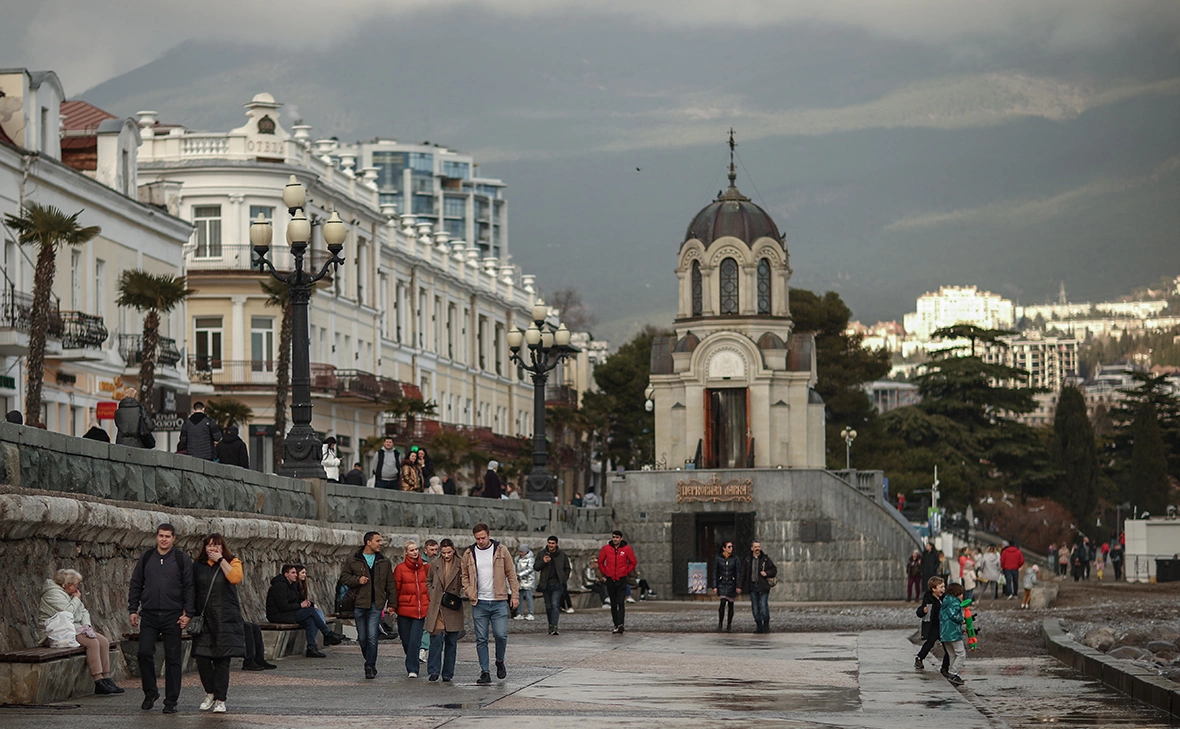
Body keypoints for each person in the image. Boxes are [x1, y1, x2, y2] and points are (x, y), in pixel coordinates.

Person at [128, 522, 194, 714]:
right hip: (149, 614)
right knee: (144, 652)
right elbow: (136, 583)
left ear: (174, 538)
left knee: (173, 658)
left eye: (167, 536)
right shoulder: (147, 557)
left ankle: (171, 700)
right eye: (161, 535)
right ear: (156, 537)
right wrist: (133, 608)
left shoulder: (181, 559)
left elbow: (190, 587)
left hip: (172, 615)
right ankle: (150, 692)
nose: (163, 539)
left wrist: (188, 613)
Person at [38, 568, 123, 695]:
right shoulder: (53, 594)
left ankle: (106, 677)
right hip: (57, 632)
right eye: (76, 584)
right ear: (68, 585)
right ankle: (98, 680)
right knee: (92, 643)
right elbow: (67, 613)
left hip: (74, 628)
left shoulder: (69, 594)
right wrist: (76, 600)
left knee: (103, 641)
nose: (78, 587)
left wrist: (86, 625)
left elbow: (83, 611)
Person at [190, 534, 245, 714]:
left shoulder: (232, 562)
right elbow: (191, 589)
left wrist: (221, 560)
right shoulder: (197, 566)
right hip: (204, 618)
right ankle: (210, 692)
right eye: (209, 545)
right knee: (202, 658)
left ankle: (221, 699)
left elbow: (235, 578)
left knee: (222, 660)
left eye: (216, 545)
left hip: (225, 618)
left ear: (223, 548)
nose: (212, 549)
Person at [460, 522, 520, 684]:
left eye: (483, 538)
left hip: (499, 600)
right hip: (479, 601)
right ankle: (484, 671)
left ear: (489, 535)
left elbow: (511, 574)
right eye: (477, 538)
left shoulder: (501, 550)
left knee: (500, 635)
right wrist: (468, 590)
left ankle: (499, 661)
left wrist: (514, 594)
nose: (480, 541)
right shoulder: (469, 553)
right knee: (481, 638)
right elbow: (464, 574)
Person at [340, 531, 398, 679]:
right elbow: (344, 577)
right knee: (363, 637)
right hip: (359, 603)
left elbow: (390, 584)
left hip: (376, 604)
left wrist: (392, 604)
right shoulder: (354, 559)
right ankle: (369, 660)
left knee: (372, 636)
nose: (380, 544)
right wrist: (357, 580)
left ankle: (370, 666)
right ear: (368, 542)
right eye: (377, 541)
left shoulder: (384, 561)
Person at [266, 565, 341, 657]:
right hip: (278, 615)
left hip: (289, 613)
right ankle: (327, 634)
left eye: (295, 573)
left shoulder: (292, 585)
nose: (295, 575)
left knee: (310, 620)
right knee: (311, 612)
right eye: (293, 573)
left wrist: (307, 603)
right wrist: (300, 605)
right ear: (286, 574)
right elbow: (283, 606)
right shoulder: (279, 586)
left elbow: (297, 599)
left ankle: (311, 648)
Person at [424, 538, 464, 682]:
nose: (446, 555)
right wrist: (432, 592)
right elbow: (428, 580)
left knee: (452, 641)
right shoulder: (435, 564)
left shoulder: (461, 564)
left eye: (449, 552)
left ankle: (448, 673)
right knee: (436, 639)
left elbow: (466, 580)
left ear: (453, 550)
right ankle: (433, 671)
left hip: (452, 605)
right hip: (438, 605)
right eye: (444, 552)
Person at [393, 540, 430, 678]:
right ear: (406, 553)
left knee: (415, 639)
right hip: (404, 609)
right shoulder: (400, 568)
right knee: (406, 640)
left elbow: (429, 587)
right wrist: (392, 605)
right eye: (412, 550)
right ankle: (412, 659)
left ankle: (412, 669)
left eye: (416, 549)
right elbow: (395, 589)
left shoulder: (425, 568)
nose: (415, 552)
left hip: (420, 610)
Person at [597, 530, 638, 634]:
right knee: (613, 603)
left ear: (621, 538)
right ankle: (616, 624)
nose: (615, 539)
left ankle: (621, 624)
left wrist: (626, 571)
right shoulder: (606, 549)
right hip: (611, 579)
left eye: (617, 537)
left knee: (621, 602)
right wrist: (605, 572)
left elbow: (633, 562)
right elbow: (600, 561)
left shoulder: (627, 549)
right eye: (614, 537)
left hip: (621, 579)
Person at [534, 536, 571, 635]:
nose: (551, 545)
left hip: (557, 583)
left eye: (553, 543)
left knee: (555, 605)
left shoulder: (562, 555)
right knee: (548, 606)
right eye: (549, 543)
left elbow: (567, 568)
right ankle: (550, 625)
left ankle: (554, 626)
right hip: (545, 584)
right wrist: (543, 562)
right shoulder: (542, 553)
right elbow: (536, 567)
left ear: (556, 544)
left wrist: (563, 579)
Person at [915, 576, 950, 676]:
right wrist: (923, 611)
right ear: (934, 589)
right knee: (929, 643)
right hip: (933, 626)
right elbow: (919, 612)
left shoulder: (944, 598)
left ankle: (944, 668)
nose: (943, 589)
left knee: (948, 647)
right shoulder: (928, 599)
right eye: (941, 587)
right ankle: (919, 658)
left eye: (944, 587)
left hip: (943, 626)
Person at [741, 540, 777, 633]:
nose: (757, 548)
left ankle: (766, 626)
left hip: (763, 586)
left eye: (758, 547)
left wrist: (767, 573)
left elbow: (774, 570)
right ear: (752, 548)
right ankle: (759, 627)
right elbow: (743, 574)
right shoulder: (748, 559)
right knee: (755, 608)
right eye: (755, 547)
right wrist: (740, 586)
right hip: (752, 587)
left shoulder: (765, 559)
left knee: (763, 606)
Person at [939, 582, 967, 685]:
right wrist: (962, 620)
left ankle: (952, 674)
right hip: (953, 632)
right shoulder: (955, 602)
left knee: (952, 655)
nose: (962, 596)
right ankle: (953, 673)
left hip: (944, 632)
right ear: (957, 593)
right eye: (961, 593)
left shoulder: (945, 601)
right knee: (961, 654)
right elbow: (953, 615)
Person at [712, 540, 742, 632]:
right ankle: (720, 623)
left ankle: (729, 625)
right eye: (729, 547)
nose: (731, 548)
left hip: (731, 583)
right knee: (722, 603)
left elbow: (738, 572)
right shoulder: (718, 558)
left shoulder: (735, 558)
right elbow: (715, 572)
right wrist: (715, 586)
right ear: (724, 548)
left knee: (731, 605)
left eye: (732, 547)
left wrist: (738, 585)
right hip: (722, 583)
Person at [419, 540, 439, 664]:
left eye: (436, 549)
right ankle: (423, 648)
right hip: (423, 596)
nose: (435, 552)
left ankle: (424, 648)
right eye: (432, 550)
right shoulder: (421, 563)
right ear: (425, 550)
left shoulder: (437, 561)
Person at [514, 544, 537, 622]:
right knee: (519, 597)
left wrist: (520, 574)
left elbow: (530, 569)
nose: (521, 553)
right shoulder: (517, 559)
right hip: (520, 581)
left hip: (528, 581)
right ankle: (520, 613)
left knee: (528, 597)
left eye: (522, 552)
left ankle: (531, 613)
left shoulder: (530, 559)